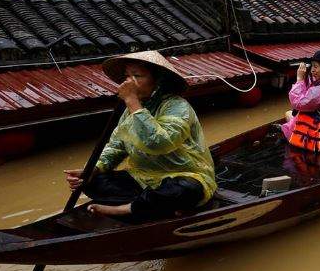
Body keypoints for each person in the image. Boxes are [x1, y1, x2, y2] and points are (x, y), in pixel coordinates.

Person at [64, 51, 216, 220]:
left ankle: (126, 209)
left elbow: (159, 143)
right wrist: (93, 169)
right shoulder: (130, 110)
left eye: (137, 75)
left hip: (182, 175)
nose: (129, 81)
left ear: (158, 80)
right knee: (91, 182)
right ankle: (156, 205)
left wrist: (132, 101)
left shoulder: (176, 106)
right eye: (127, 76)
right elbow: (116, 146)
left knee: (185, 190)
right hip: (142, 178)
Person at [282, 50, 320, 153]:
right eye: (312, 67)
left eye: (315, 67)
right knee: (289, 115)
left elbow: (297, 102)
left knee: (288, 115)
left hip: (312, 137)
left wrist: (299, 79)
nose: (312, 70)